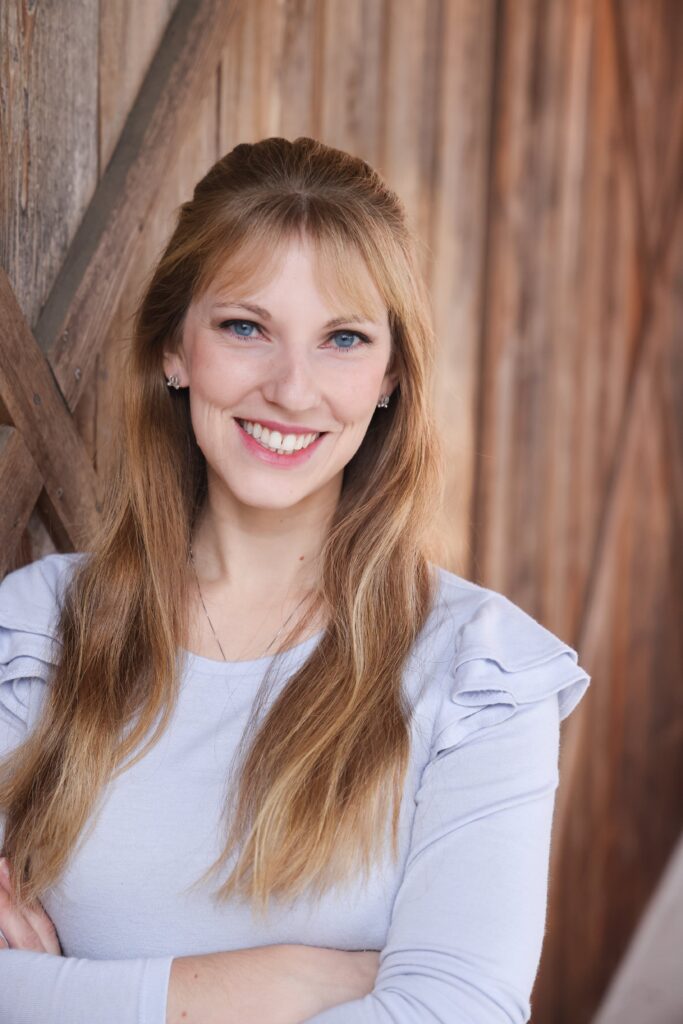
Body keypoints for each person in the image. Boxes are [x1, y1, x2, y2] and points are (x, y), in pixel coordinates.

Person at [0, 136, 590, 1024]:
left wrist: (64, 999)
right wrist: (262, 986)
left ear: (390, 378)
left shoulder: (480, 673)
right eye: (247, 327)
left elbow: (455, 1011)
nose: (292, 388)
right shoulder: (36, 631)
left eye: (342, 339)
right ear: (173, 348)